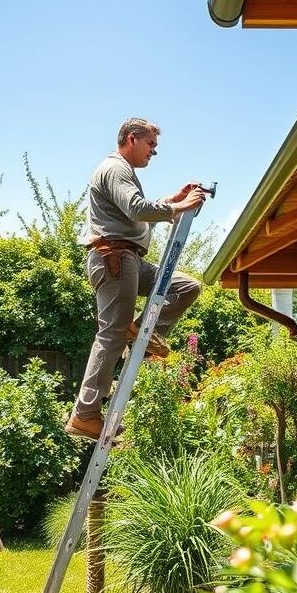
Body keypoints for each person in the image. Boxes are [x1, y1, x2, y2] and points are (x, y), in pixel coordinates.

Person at [66, 117, 207, 440]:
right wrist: (180, 207)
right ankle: (85, 414)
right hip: (113, 258)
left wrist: (172, 201)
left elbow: (137, 217)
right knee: (111, 335)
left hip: (129, 258)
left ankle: (144, 331)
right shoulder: (114, 168)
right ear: (132, 139)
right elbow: (136, 209)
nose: (153, 153)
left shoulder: (124, 173)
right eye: (151, 145)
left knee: (186, 286)